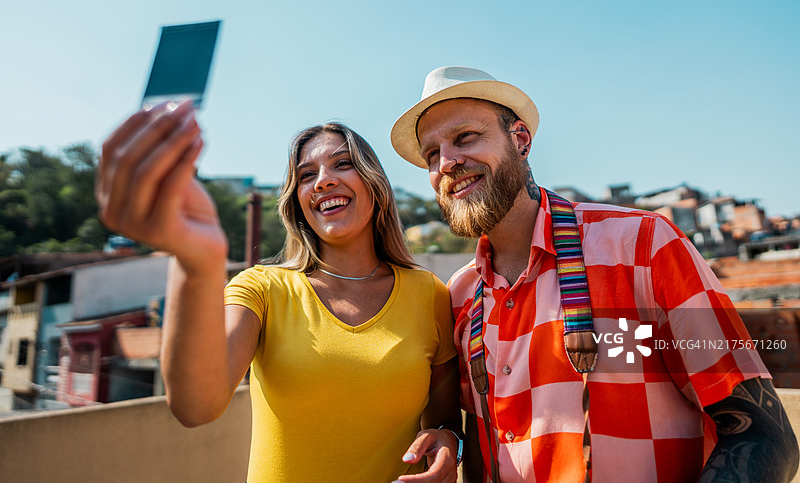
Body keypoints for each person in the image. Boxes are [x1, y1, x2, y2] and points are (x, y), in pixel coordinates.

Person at [391, 66, 799, 482]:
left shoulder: (643, 246)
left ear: (520, 140)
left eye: (465, 137)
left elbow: (765, 437)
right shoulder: (460, 294)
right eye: (431, 155)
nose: (448, 162)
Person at [95, 102, 464, 483]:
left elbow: (444, 422)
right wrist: (193, 259)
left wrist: (449, 442)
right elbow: (195, 406)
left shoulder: (430, 295)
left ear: (375, 184)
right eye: (307, 174)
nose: (323, 181)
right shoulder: (261, 289)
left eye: (342, 164)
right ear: (298, 202)